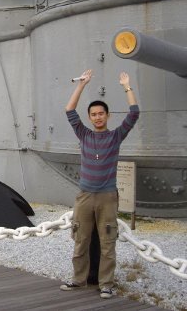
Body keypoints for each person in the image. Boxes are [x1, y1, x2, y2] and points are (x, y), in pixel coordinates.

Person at [60, 69, 140, 299]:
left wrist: (127, 86)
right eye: (93, 114)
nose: (97, 117)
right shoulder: (83, 134)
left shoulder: (115, 136)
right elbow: (69, 110)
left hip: (107, 196)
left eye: (101, 114)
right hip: (85, 196)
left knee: (107, 242)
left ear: (107, 116)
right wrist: (82, 85)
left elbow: (134, 113)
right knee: (80, 238)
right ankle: (78, 279)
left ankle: (106, 283)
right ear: (90, 117)